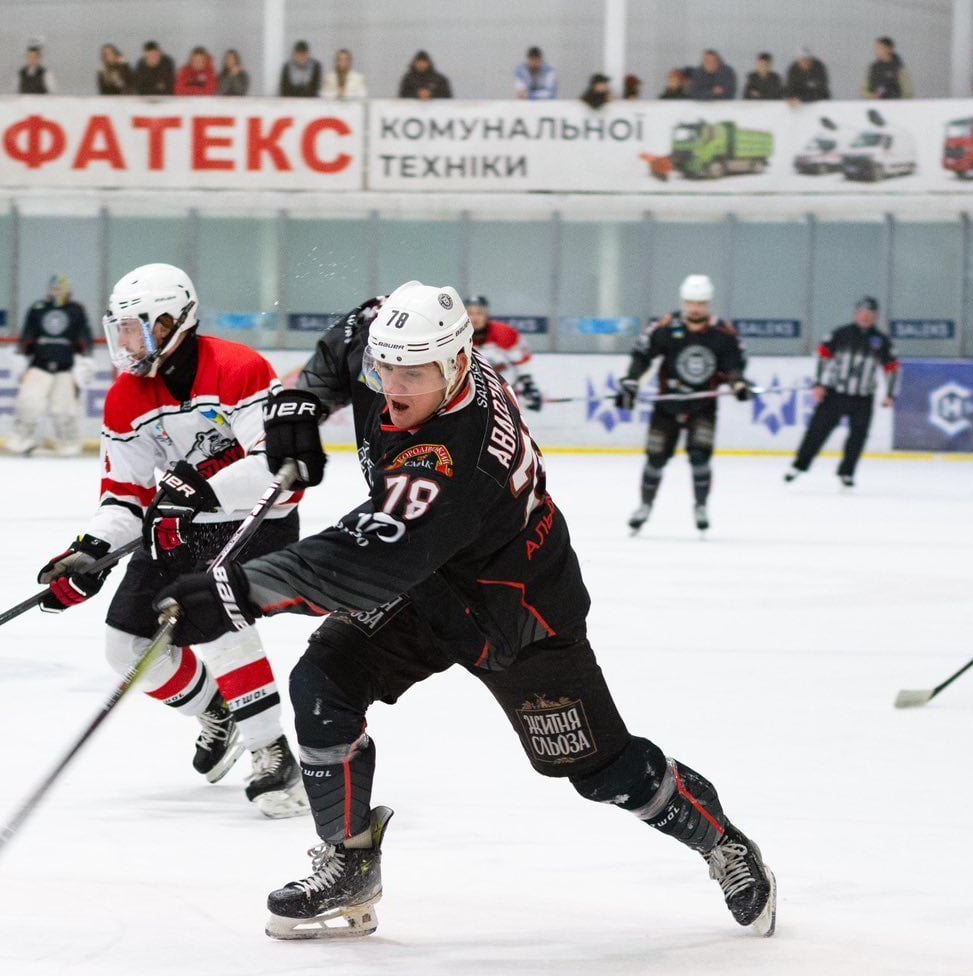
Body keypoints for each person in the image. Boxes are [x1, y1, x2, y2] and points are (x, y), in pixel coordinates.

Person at [151, 282, 778, 941]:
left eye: (412, 375)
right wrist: (302, 398)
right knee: (322, 683)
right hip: (423, 591)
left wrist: (237, 589)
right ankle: (348, 858)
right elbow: (347, 340)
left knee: (601, 771)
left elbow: (366, 558)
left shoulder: (455, 455)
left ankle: (721, 843)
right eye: (383, 368)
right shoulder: (398, 344)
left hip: (513, 614)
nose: (392, 388)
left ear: (455, 367)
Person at [34, 264, 307, 818]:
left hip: (256, 519)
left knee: (217, 614)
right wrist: (94, 551)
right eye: (121, 331)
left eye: (133, 329)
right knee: (124, 644)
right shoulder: (125, 397)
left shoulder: (239, 368)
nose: (124, 342)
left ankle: (274, 752)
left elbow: (278, 470)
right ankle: (219, 711)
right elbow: (125, 495)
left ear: (167, 321)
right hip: (180, 526)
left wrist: (199, 489)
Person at [617, 274, 751, 534]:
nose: (695, 308)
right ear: (683, 301)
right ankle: (644, 506)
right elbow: (642, 355)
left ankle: (700, 506)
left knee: (700, 457)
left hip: (703, 405)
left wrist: (737, 383)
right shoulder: (666, 326)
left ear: (709, 303)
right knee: (655, 459)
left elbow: (734, 364)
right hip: (668, 405)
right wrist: (632, 381)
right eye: (690, 302)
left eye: (700, 303)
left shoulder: (723, 332)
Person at [785, 297, 898, 487]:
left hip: (863, 397)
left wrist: (889, 394)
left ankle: (847, 472)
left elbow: (892, 368)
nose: (866, 317)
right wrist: (820, 384)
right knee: (817, 431)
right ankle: (798, 465)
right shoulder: (841, 334)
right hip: (835, 393)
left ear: (875, 317)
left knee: (858, 436)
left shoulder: (881, 341)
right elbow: (823, 356)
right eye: (863, 313)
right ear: (856, 314)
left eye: (870, 315)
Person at [8, 275, 93, 456]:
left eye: (60, 287)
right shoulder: (38, 309)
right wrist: (21, 355)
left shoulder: (76, 311)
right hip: (39, 366)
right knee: (28, 405)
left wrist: (85, 359)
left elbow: (84, 336)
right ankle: (21, 441)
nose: (56, 291)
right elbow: (28, 334)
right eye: (53, 287)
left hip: (65, 368)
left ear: (67, 289)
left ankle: (69, 445)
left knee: (64, 411)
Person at [465, 295, 541, 411]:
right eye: (470, 313)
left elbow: (522, 360)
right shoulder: (458, 337)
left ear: (487, 314)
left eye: (479, 313)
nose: (475, 318)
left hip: (505, 395)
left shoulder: (504, 333)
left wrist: (528, 385)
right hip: (472, 398)